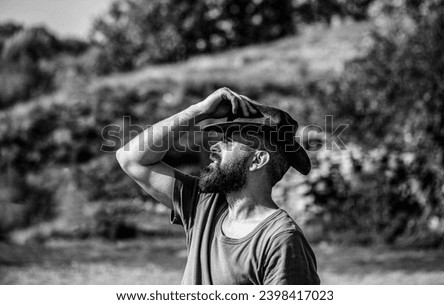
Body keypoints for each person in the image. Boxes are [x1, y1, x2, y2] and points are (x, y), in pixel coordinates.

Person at [116, 87, 320, 285]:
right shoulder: (203, 204)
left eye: (228, 141)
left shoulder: (281, 240)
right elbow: (130, 158)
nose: (214, 147)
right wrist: (199, 111)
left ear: (257, 160)